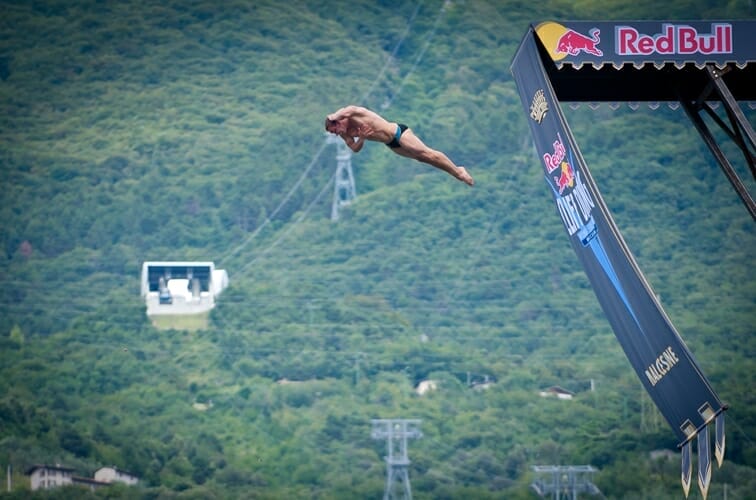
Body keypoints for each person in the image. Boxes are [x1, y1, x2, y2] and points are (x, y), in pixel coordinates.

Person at [324, 105, 474, 186]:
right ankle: (456, 171)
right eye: (333, 133)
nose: (336, 134)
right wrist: (362, 138)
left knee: (427, 153)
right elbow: (354, 149)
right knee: (423, 159)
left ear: (337, 121)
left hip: (398, 134)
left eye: (334, 130)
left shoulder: (353, 114)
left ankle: (459, 172)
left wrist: (332, 116)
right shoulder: (345, 133)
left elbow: (346, 110)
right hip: (391, 144)